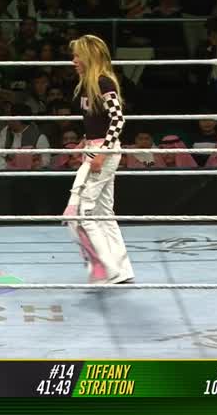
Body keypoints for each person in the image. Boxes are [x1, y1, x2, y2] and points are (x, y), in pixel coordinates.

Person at [63, 35, 135, 284]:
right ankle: (122, 269)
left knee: (80, 212)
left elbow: (118, 119)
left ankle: (105, 267)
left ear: (89, 57)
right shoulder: (88, 84)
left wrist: (102, 152)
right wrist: (86, 140)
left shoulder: (103, 82)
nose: (74, 61)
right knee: (104, 212)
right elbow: (99, 121)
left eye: (77, 56)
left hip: (103, 151)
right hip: (97, 147)